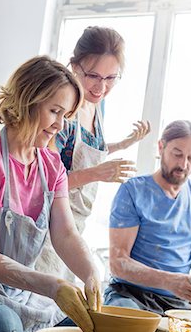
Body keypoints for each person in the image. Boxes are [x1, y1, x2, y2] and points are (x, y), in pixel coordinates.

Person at [0, 55, 101, 332]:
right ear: (26, 101)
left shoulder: (51, 166)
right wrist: (53, 285)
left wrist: (91, 272)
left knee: (81, 328)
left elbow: (65, 233)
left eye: (66, 115)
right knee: (3, 327)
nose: (60, 125)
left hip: (12, 289)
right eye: (54, 111)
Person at [35, 25, 150, 274]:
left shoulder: (98, 105)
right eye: (93, 76)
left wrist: (121, 145)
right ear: (75, 66)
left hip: (75, 223)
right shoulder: (64, 111)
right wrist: (98, 174)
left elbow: (78, 155)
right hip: (46, 226)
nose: (101, 87)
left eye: (111, 78)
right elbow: (46, 182)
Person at [104, 120, 191, 315]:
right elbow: (118, 263)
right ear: (161, 147)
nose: (183, 164)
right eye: (177, 154)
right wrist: (168, 280)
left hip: (177, 300)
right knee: (125, 323)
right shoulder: (132, 190)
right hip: (130, 295)